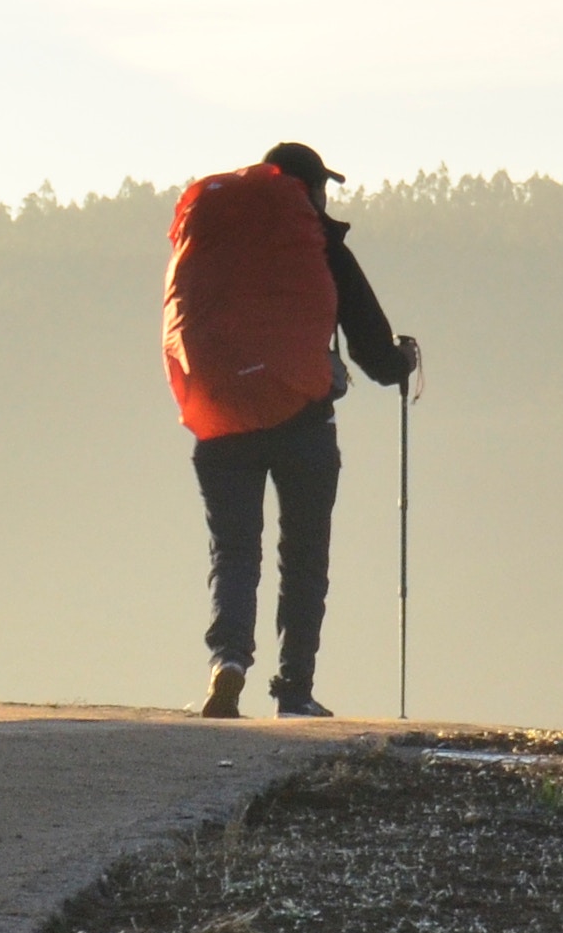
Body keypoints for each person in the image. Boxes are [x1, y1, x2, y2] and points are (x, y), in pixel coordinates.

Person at [178, 141, 418, 719]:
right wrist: (401, 361)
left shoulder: (211, 243)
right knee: (304, 555)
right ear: (306, 189)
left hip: (221, 417)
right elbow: (369, 343)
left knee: (235, 551)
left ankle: (228, 661)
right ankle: (294, 689)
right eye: (322, 187)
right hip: (302, 421)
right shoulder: (317, 245)